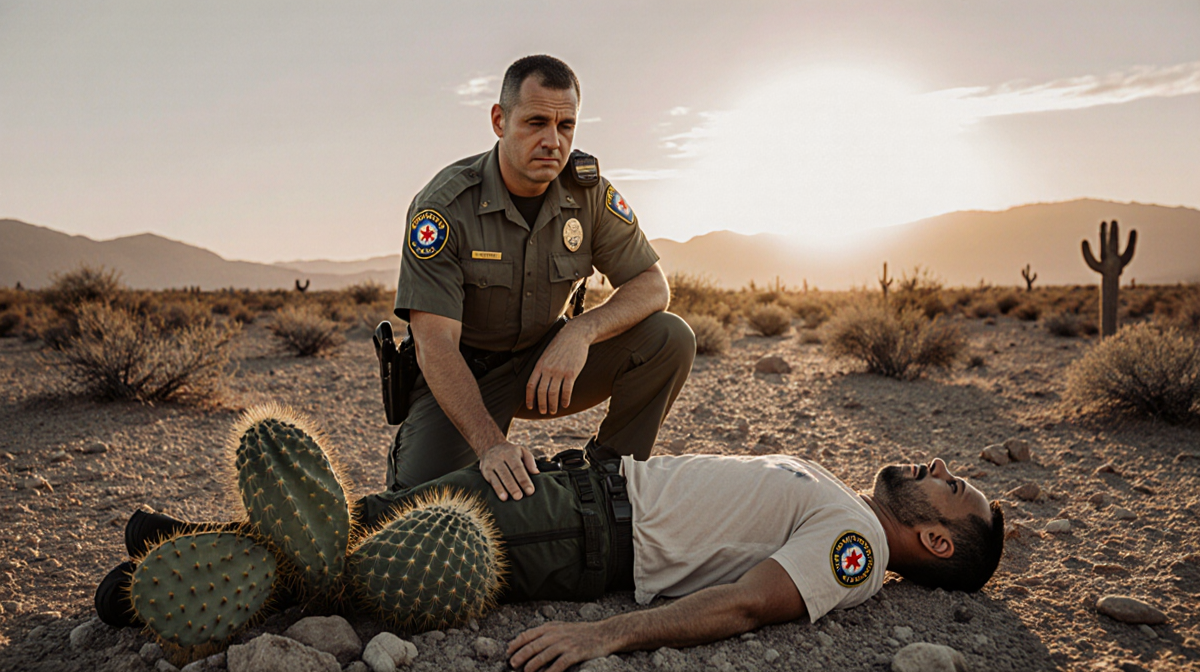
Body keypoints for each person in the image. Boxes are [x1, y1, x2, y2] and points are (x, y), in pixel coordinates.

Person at [354, 451, 1006, 672]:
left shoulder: (856, 551)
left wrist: (604, 635)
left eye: (952, 490)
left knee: (358, 550)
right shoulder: (848, 506)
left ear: (938, 543)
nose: (942, 469)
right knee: (368, 516)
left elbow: (751, 601)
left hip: (580, 531)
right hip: (577, 490)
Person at [384, 53, 695, 508]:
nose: (553, 141)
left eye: (565, 125)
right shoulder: (445, 205)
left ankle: (610, 480)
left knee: (670, 337)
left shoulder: (589, 193)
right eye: (535, 123)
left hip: (546, 363)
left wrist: (581, 332)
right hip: (466, 372)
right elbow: (436, 346)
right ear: (499, 120)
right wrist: (491, 446)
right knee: (419, 507)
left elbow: (652, 285)